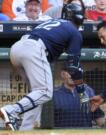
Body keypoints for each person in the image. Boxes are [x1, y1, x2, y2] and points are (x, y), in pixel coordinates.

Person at [0, 2, 85, 131]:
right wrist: (81, 90)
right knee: (45, 92)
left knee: (37, 95)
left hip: (17, 48)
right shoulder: (74, 32)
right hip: (34, 49)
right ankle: (11, 110)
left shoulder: (56, 23)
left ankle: (25, 130)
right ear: (80, 18)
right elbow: (73, 66)